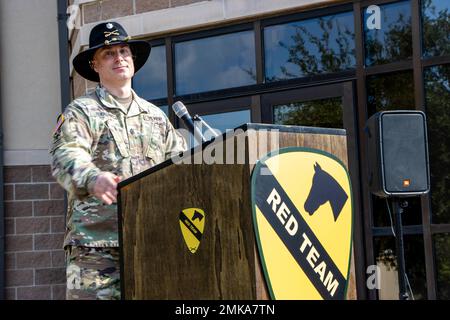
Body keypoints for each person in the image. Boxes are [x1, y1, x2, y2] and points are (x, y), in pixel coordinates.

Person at [50, 21, 187, 300]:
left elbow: (181, 166)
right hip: (96, 247)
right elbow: (65, 155)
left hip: (149, 241)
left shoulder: (155, 117)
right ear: (95, 64)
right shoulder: (82, 111)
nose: (119, 58)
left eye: (124, 51)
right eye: (109, 53)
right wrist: (93, 178)